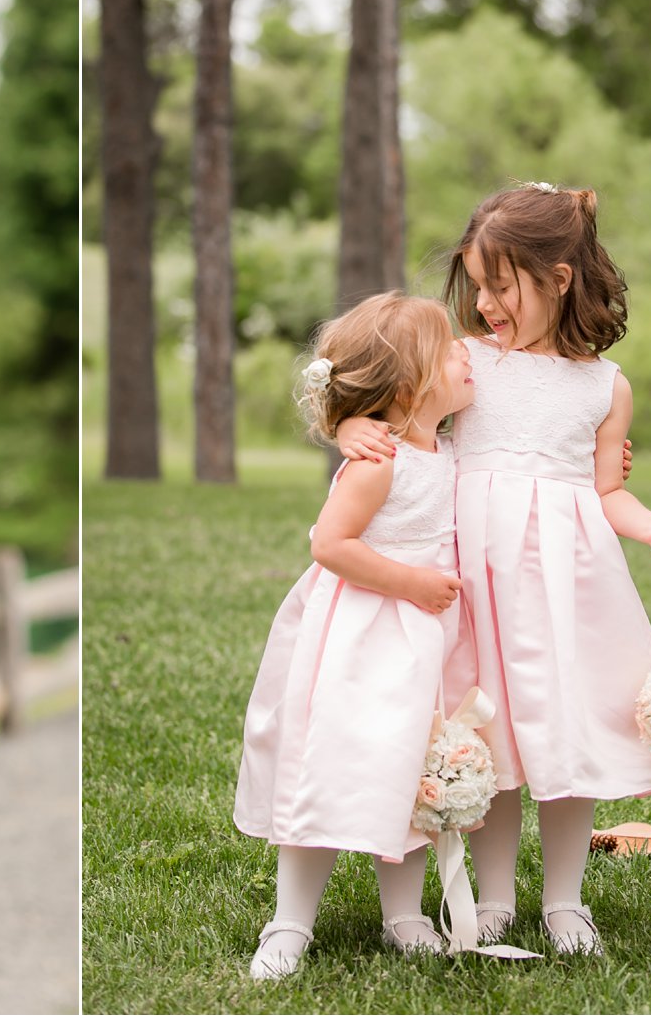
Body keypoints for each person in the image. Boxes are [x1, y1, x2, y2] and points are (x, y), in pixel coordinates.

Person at [337, 183, 651, 956]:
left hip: (566, 588)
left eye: (499, 284)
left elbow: (609, 491)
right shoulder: (465, 364)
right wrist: (351, 431)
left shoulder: (606, 387)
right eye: (475, 282)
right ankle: (496, 897)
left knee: (565, 738)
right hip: (473, 583)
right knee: (490, 735)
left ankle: (566, 899)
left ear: (558, 278)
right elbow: (390, 403)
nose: (484, 300)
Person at [233, 292, 477, 979]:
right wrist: (411, 583)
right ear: (408, 387)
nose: (469, 354)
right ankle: (289, 920)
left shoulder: (453, 449)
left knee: (409, 772)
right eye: (452, 348)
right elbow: (329, 543)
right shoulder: (379, 460)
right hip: (361, 640)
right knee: (330, 768)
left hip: (422, 644)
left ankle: (404, 912)